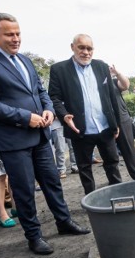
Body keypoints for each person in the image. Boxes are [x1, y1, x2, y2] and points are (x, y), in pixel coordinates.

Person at [0, 13, 90, 255]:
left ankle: (63, 221)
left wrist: (47, 109)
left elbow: (40, 91)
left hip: (40, 135)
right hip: (13, 140)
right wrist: (25, 117)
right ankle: (33, 235)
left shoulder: (25, 60)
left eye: (18, 34)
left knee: (52, 182)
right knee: (24, 190)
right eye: (9, 34)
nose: (16, 39)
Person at [48, 34, 123, 194]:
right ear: (72, 47)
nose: (86, 52)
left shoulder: (101, 66)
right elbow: (54, 97)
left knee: (112, 163)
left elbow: (111, 97)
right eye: (81, 47)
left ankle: (120, 195)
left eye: (89, 48)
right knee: (84, 168)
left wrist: (116, 123)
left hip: (104, 127)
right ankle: (92, 202)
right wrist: (63, 114)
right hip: (80, 129)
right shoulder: (59, 70)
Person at [109, 64, 135, 180]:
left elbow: (126, 85)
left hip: (122, 119)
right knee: (110, 155)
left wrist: (117, 73)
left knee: (129, 151)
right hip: (105, 122)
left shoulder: (113, 82)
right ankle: (115, 181)